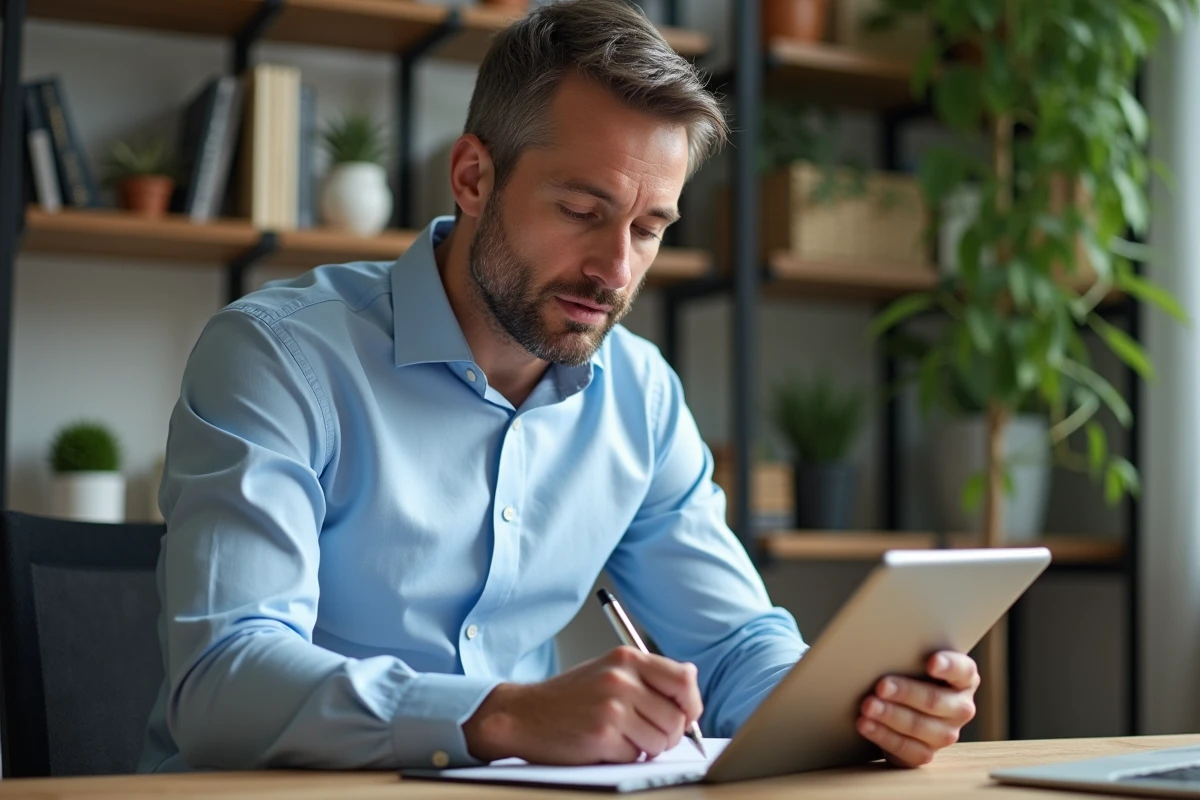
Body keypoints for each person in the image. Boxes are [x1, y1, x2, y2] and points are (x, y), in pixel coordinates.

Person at [138, 0, 978, 773]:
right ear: (473, 178)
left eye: (649, 228)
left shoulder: (638, 396)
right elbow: (224, 679)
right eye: (582, 210)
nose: (616, 270)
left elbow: (732, 644)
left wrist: (858, 711)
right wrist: (498, 717)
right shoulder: (278, 357)